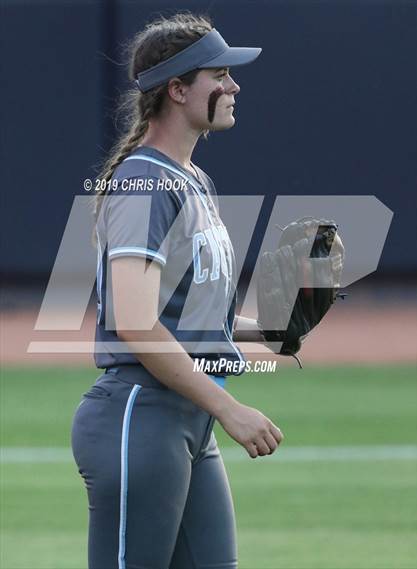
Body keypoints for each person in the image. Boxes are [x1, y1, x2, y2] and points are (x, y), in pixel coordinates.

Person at [71, 13, 283, 569]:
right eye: (220, 75)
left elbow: (193, 318)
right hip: (140, 419)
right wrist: (231, 409)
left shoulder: (191, 180)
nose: (234, 86)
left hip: (184, 422)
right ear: (178, 89)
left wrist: (279, 326)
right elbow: (137, 324)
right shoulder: (145, 183)